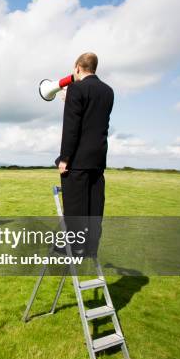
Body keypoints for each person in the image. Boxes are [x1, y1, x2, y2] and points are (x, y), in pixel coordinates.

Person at [56, 52, 113, 258]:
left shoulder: (76, 88)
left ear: (78, 67)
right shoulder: (108, 91)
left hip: (78, 159)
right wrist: (70, 101)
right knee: (94, 205)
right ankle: (91, 247)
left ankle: (75, 246)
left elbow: (72, 127)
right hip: (98, 160)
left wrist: (64, 158)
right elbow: (92, 118)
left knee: (75, 204)